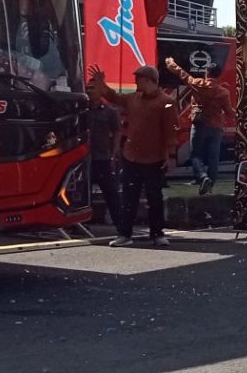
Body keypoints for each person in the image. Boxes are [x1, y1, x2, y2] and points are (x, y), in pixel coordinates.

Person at [89, 64, 177, 247]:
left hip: (154, 158)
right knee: (128, 197)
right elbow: (115, 98)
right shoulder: (134, 98)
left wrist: (170, 156)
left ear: (149, 80)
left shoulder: (167, 102)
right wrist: (102, 84)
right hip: (131, 156)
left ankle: (157, 233)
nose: (136, 82)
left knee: (154, 197)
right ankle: (125, 234)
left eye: (138, 79)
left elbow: (171, 132)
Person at [165, 56, 233, 195]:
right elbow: (229, 112)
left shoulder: (197, 83)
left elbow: (183, 74)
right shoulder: (224, 92)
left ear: (206, 73)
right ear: (218, 75)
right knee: (214, 158)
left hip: (200, 124)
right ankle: (210, 187)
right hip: (216, 127)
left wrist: (171, 64)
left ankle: (202, 177)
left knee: (195, 154)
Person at [86, 77, 123, 226]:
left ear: (101, 90)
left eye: (92, 88)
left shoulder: (110, 111)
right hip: (84, 159)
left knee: (111, 192)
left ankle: (120, 223)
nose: (89, 91)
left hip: (103, 157)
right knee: (83, 194)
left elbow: (117, 132)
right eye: (87, 88)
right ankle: (83, 223)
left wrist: (114, 153)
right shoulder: (82, 110)